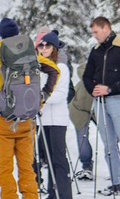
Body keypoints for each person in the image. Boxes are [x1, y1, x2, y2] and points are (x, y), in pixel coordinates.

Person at [0, 17, 60, 199]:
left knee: (5, 168)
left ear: (0, 35)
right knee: (27, 167)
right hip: (27, 116)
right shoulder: (28, 53)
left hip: (1, 118)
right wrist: (42, 97)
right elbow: (54, 70)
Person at [82, 16, 120, 199]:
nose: (94, 36)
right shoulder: (95, 51)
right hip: (99, 102)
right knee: (108, 145)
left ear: (106, 28)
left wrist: (110, 88)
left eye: (96, 32)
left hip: (118, 100)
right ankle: (116, 183)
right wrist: (92, 90)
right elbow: (86, 75)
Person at [37, 30, 73, 199]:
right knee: (49, 159)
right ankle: (53, 193)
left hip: (58, 119)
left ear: (54, 48)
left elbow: (60, 94)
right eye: (41, 45)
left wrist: (41, 98)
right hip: (42, 120)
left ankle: (64, 194)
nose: (44, 48)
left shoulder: (61, 68)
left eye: (47, 45)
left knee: (59, 159)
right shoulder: (38, 68)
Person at [68, 62, 94, 181]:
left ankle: (113, 166)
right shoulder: (86, 82)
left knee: (109, 135)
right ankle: (87, 166)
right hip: (78, 108)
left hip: (95, 105)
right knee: (82, 136)